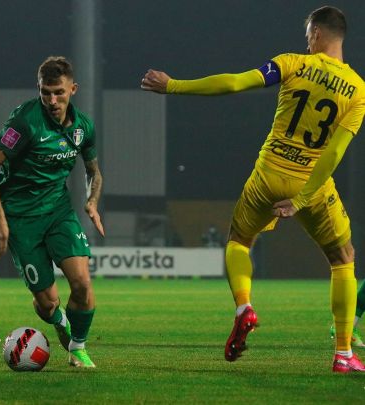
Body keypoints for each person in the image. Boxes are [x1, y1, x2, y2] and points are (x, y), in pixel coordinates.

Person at [141, 6, 365, 373]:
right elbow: (335, 152)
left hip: (268, 174)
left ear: (317, 34)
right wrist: (302, 198)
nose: (307, 43)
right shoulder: (357, 89)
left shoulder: (292, 63)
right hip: (311, 182)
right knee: (343, 258)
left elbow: (234, 83)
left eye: (308, 36)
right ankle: (343, 354)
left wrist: (174, 85)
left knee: (239, 241)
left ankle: (244, 305)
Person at [0, 56, 104, 368]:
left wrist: (92, 200)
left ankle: (78, 347)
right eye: (45, 93)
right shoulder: (24, 122)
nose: (52, 100)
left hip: (58, 212)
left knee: (82, 283)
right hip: (21, 219)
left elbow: (93, 171)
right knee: (47, 303)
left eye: (59, 92)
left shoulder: (84, 127)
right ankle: (59, 321)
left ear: (73, 89)